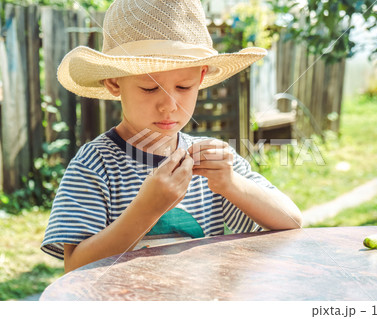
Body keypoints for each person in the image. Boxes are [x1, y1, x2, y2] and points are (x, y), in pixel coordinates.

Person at [41, 0, 302, 273]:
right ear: (114, 82)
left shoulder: (211, 162)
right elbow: (74, 268)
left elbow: (291, 221)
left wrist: (231, 183)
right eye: (149, 89)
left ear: (201, 78)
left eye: (183, 86)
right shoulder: (96, 164)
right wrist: (147, 208)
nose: (169, 105)